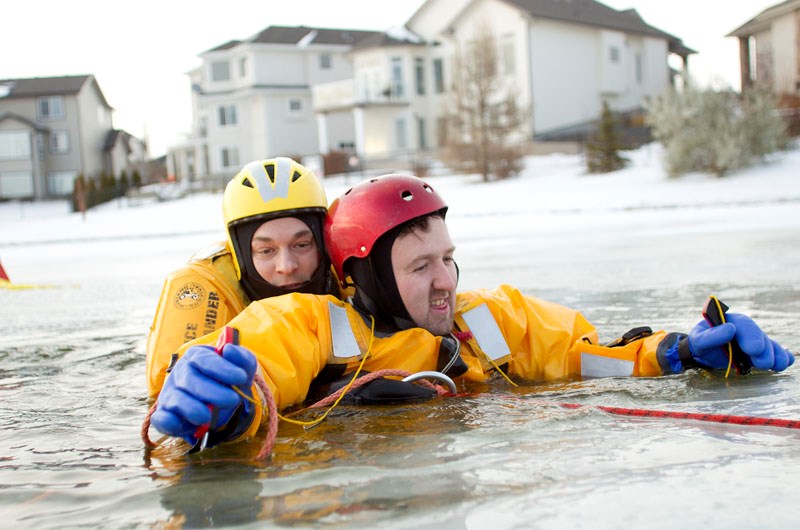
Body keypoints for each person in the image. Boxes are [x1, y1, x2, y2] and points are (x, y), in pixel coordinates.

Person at [150, 174, 794, 448]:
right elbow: (260, 356)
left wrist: (680, 352)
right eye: (420, 266)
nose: (445, 283)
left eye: (449, 258)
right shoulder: (314, 324)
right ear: (364, 278)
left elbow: (587, 357)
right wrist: (228, 400)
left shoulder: (490, 318)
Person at [145, 157, 341, 399]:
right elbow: (165, 391)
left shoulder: (345, 274)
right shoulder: (204, 286)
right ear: (239, 253)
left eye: (302, 245)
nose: (286, 266)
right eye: (266, 251)